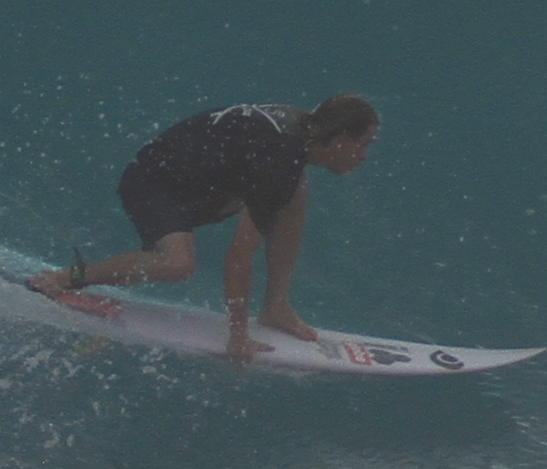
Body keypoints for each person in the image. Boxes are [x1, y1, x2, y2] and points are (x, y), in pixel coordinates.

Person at [29, 94, 383, 363]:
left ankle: (276, 306)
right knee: (177, 264)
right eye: (362, 145)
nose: (363, 157)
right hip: (154, 183)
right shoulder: (278, 159)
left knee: (295, 191)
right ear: (338, 139)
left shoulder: (300, 132)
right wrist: (238, 337)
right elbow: (239, 255)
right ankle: (65, 278)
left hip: (201, 182)